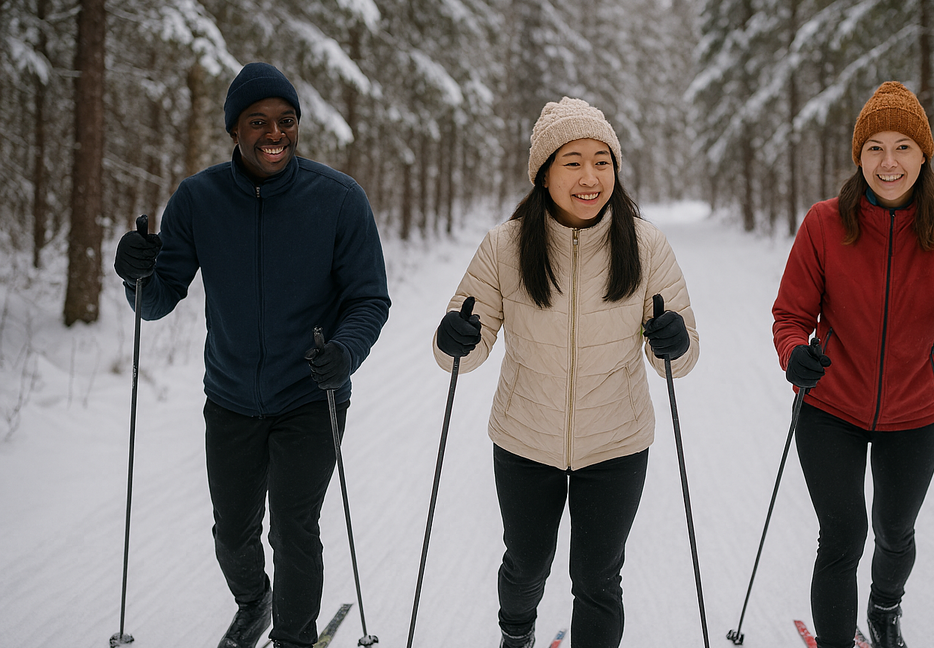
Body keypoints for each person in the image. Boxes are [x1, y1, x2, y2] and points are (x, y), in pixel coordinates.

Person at [112, 62, 390, 648]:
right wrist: (136, 272)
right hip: (232, 397)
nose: (274, 133)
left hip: (311, 395)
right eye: (258, 121)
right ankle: (253, 600)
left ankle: (293, 637)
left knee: (293, 529)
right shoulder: (199, 199)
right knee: (233, 535)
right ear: (234, 129)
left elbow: (369, 298)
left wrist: (345, 352)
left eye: (286, 120)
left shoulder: (339, 199)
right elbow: (157, 300)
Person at [432, 97, 699, 648]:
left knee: (598, 579)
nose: (589, 177)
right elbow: (462, 350)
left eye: (602, 161)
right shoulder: (505, 246)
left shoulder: (645, 244)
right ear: (544, 173)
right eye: (573, 162)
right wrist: (455, 338)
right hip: (526, 438)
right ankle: (516, 634)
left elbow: (681, 356)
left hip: (617, 441)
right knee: (525, 566)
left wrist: (673, 342)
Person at [771, 81, 934, 648]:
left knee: (895, 532)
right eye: (875, 148)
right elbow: (790, 317)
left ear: (923, 155)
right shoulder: (825, 223)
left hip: (915, 412)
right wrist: (795, 355)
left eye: (903, 147)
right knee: (843, 535)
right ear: (859, 157)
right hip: (830, 407)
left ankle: (883, 607)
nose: (888, 162)